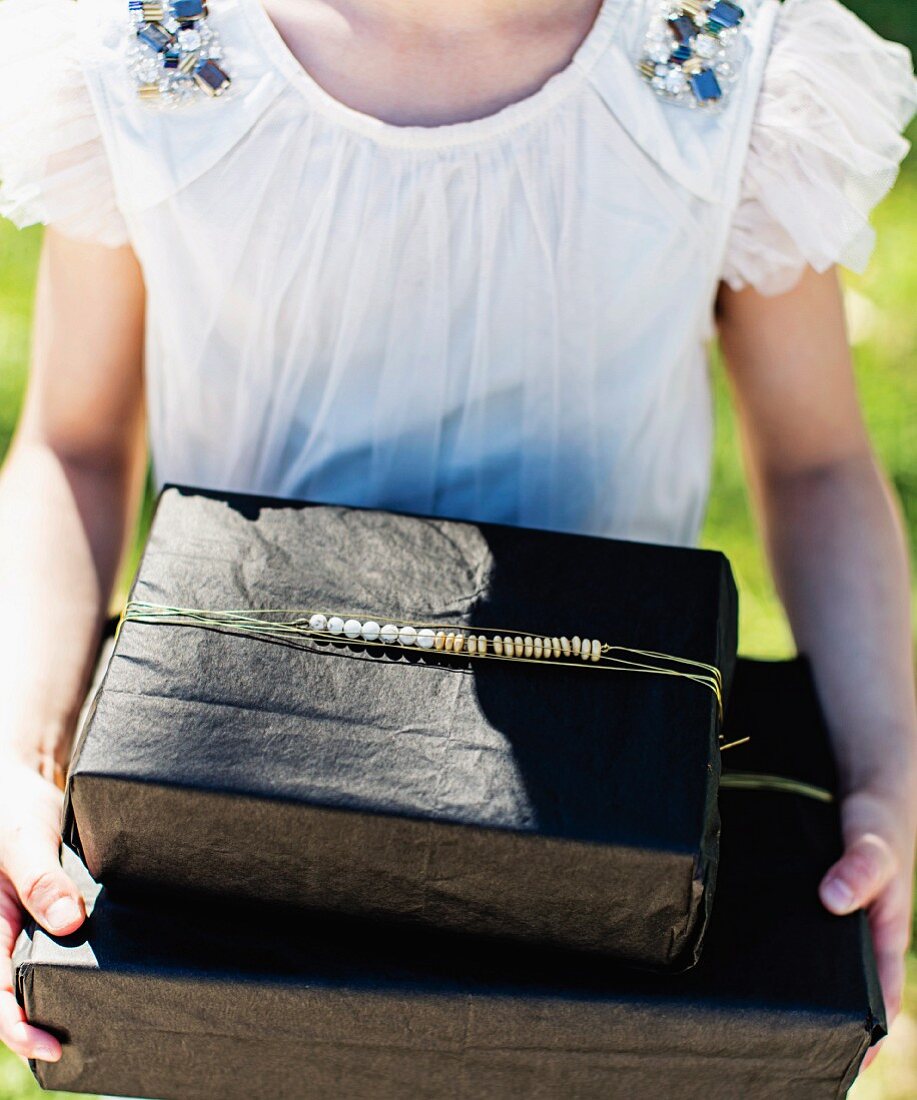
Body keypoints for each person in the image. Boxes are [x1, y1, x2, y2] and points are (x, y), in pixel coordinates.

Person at [0, 0, 915, 1076]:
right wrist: (22, 754)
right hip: (225, 833)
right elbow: (74, 442)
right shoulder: (150, 45)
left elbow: (814, 463)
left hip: (593, 847)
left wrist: (883, 766)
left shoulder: (716, 60)